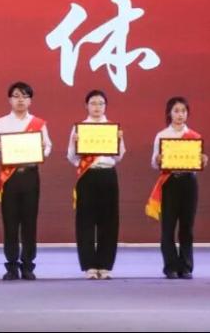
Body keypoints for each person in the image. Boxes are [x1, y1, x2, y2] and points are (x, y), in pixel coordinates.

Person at [0, 81, 52, 281]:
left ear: (30, 100)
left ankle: (28, 265)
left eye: (24, 96)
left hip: (30, 174)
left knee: (30, 222)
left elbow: (48, 146)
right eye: (16, 96)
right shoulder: (0, 123)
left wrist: (42, 150)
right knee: (10, 222)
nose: (20, 100)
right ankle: (12, 266)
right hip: (10, 177)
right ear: (10, 100)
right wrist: (0, 153)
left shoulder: (38, 124)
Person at [146, 96, 208, 280]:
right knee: (168, 226)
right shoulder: (162, 135)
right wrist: (158, 160)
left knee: (187, 227)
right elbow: (154, 163)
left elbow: (197, 163)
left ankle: (186, 266)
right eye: (176, 111)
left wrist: (203, 160)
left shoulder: (194, 136)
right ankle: (170, 266)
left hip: (189, 183)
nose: (180, 115)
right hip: (170, 182)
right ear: (169, 113)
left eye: (183, 111)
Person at [67, 90, 124, 280]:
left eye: (101, 103)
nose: (97, 107)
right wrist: (76, 144)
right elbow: (71, 157)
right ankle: (89, 266)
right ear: (86, 106)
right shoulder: (79, 128)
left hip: (108, 175)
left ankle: (105, 265)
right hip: (87, 175)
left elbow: (119, 156)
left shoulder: (112, 128)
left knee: (109, 221)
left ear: (105, 106)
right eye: (93, 103)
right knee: (86, 221)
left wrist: (117, 141)